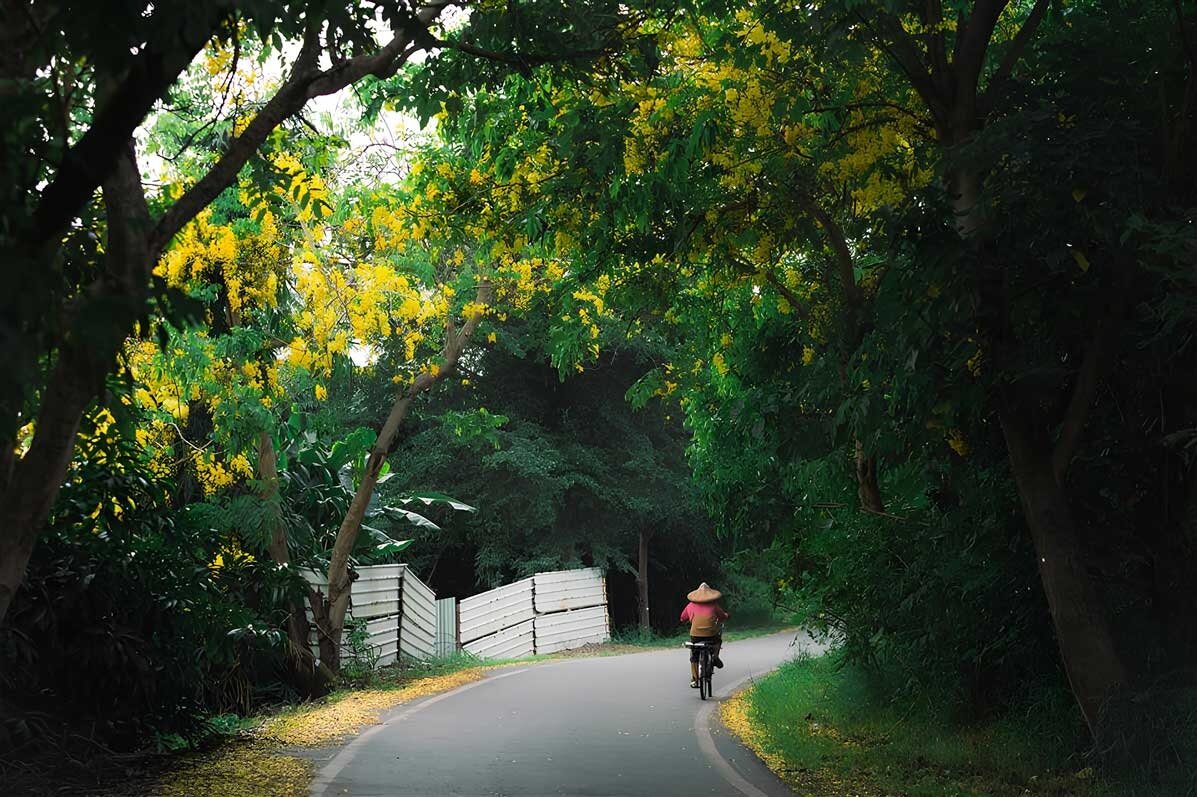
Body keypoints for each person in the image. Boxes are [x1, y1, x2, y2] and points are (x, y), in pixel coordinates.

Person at [680, 582, 728, 687]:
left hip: (695, 636)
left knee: (694, 654)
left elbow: (682, 618)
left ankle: (694, 680)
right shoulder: (714, 606)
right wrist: (725, 616)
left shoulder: (690, 605)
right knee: (718, 640)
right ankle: (715, 656)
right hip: (711, 635)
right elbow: (722, 616)